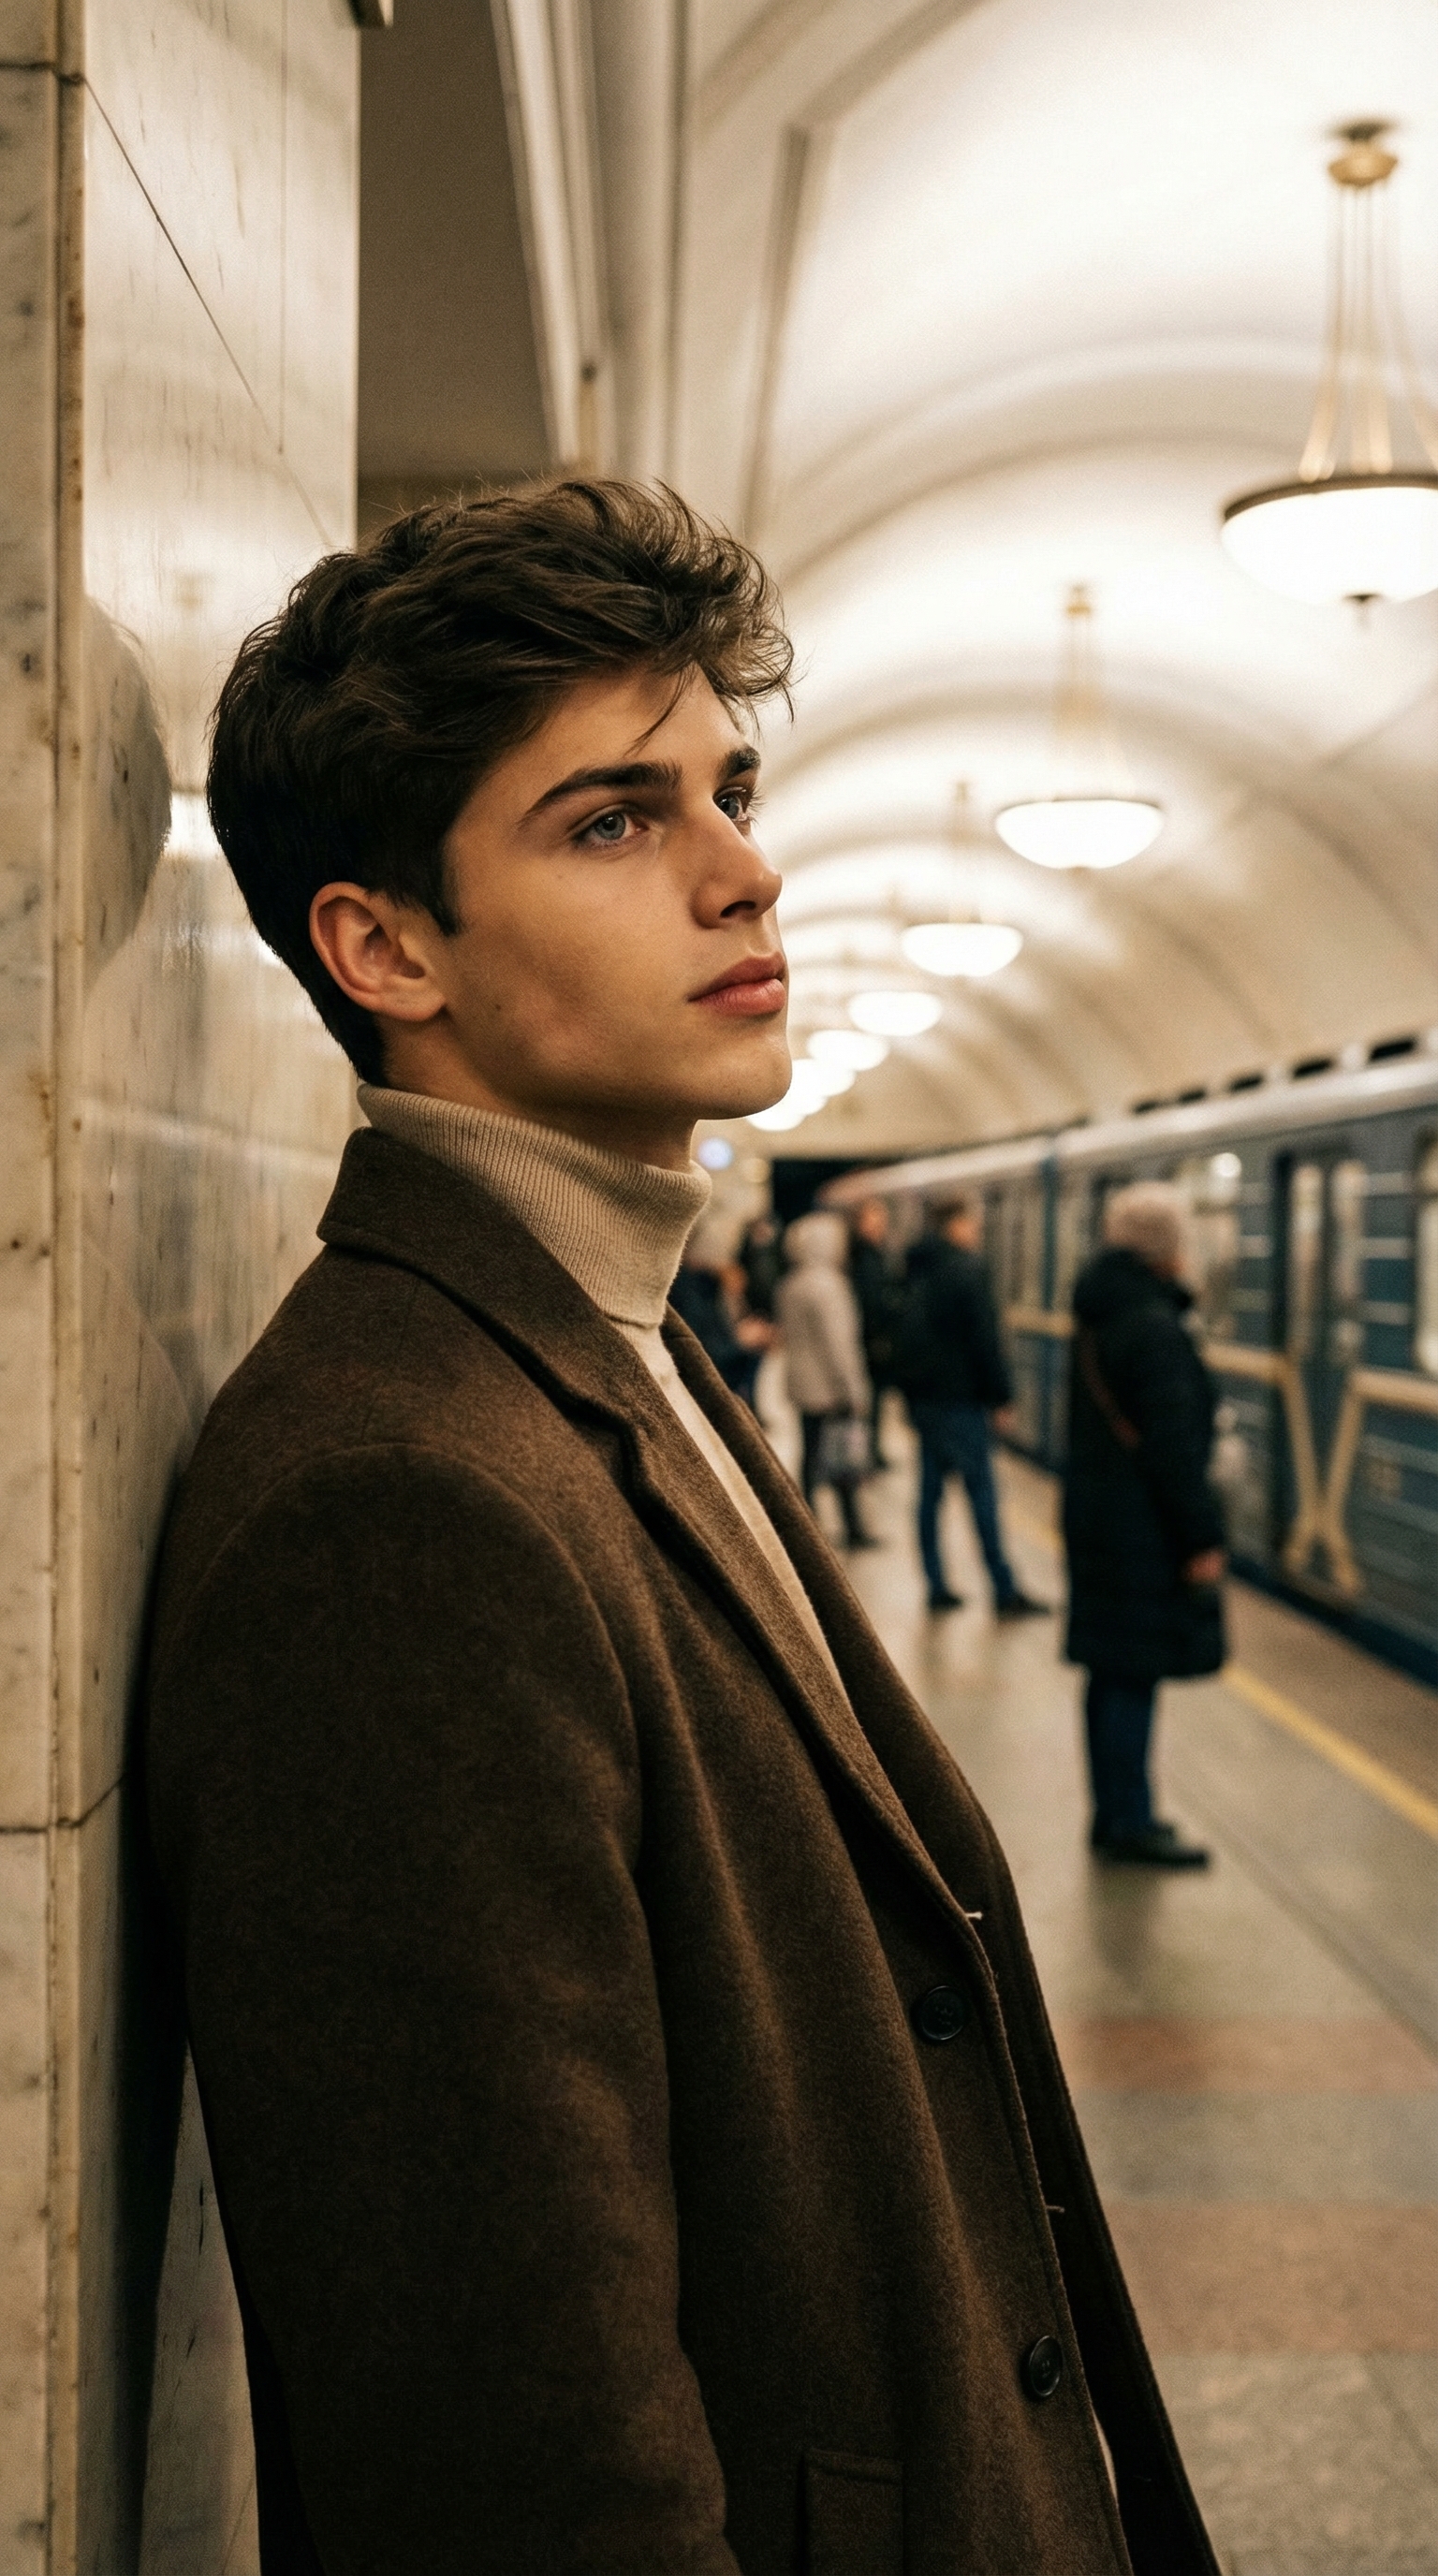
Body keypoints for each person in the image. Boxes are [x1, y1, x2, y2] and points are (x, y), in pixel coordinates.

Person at [144, 481, 1218, 2576]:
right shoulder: (397, 1501)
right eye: (615, 819)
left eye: (730, 786)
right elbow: (510, 2462)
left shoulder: (609, 1344)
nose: (750, 869)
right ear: (385, 946)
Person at [1064, 1181, 1224, 1868]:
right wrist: (1200, 1537)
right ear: (1169, 1248)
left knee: (1110, 1670)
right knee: (1133, 1672)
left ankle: (1114, 1811)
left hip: (1100, 1514)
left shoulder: (1103, 1313)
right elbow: (1173, 1449)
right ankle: (1130, 1820)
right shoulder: (1154, 1327)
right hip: (1141, 1526)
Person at [898, 1191, 1050, 1619]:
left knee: (929, 1495)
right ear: (957, 1224)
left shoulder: (916, 1267)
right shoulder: (968, 1270)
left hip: (926, 1399)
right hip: (961, 1400)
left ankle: (935, 1583)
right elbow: (984, 1341)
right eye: (973, 1223)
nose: (976, 1231)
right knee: (981, 1492)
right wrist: (1001, 1397)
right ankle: (1003, 1589)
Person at [774, 1210, 878, 1549]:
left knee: (810, 1454)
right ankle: (853, 1527)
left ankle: (807, 1520)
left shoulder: (791, 1283)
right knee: (843, 1460)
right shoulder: (830, 1286)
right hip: (831, 1389)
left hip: (802, 1384)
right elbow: (840, 1344)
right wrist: (856, 1390)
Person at [669, 1217, 771, 1409]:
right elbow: (698, 1350)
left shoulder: (708, 1285)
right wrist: (741, 1342)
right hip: (705, 1397)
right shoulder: (688, 1289)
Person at [848, 1194, 905, 1467]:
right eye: (873, 1220)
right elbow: (871, 1300)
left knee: (875, 1400)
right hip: (870, 1341)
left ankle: (870, 1450)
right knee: (869, 1399)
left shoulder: (871, 1254)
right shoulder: (865, 1258)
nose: (879, 1226)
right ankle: (865, 1453)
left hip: (873, 1340)